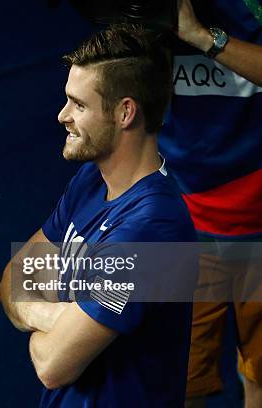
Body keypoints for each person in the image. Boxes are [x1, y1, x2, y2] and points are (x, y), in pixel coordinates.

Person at [0, 24, 198, 407]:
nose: (62, 116)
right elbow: (14, 277)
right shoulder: (91, 179)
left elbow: (53, 364)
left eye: (79, 104)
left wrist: (41, 317)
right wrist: (60, 319)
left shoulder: (151, 230)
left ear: (125, 112)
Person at [160, 0, 262, 406]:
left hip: (257, 220)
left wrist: (203, 37)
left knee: (259, 374)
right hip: (185, 221)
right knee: (179, 379)